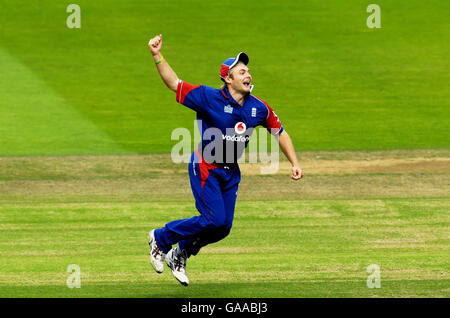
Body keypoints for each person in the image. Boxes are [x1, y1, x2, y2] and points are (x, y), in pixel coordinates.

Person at [147, 34, 304, 286]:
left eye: (248, 71)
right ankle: (161, 238)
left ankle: (180, 253)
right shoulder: (209, 98)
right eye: (241, 71)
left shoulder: (258, 108)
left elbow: (280, 132)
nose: (248, 75)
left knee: (222, 227)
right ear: (227, 78)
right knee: (213, 219)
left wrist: (294, 162)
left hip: (230, 173)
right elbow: (174, 84)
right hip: (205, 166)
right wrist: (157, 55)